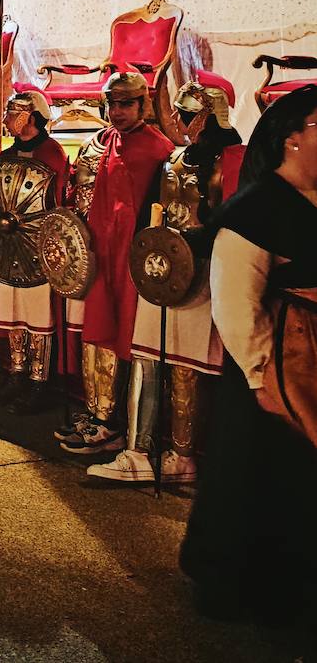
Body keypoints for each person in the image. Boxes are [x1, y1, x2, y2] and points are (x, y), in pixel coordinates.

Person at [179, 85, 317, 628]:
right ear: (293, 140)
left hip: (313, 368)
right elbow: (236, 303)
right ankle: (233, 585)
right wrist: (263, 376)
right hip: (273, 372)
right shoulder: (253, 210)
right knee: (255, 477)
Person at [89, 81, 244, 483]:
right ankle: (137, 451)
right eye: (177, 112)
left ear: (210, 115)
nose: (178, 120)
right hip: (162, 269)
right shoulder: (174, 159)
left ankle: (182, 455)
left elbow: (228, 221)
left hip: (203, 272)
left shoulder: (231, 158)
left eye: (187, 114)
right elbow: (151, 214)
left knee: (185, 364)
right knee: (147, 354)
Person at [59, 71, 175, 455]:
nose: (117, 111)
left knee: (124, 334)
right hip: (100, 255)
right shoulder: (103, 141)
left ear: (143, 104)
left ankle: (116, 425)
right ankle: (97, 415)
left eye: (126, 103)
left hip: (131, 261)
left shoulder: (159, 150)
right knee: (98, 329)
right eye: (112, 103)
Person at [0, 90, 68, 414]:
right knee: (13, 312)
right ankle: (16, 371)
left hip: (38, 247)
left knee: (37, 314)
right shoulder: (7, 156)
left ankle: (39, 380)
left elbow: (56, 199)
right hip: (9, 246)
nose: (7, 118)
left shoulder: (52, 153)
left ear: (31, 116)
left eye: (13, 112)